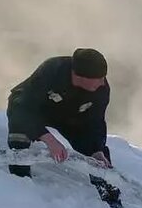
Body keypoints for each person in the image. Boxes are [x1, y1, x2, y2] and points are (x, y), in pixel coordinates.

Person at [7, 48, 112, 177]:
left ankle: (108, 192)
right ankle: (19, 176)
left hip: (72, 117)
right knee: (20, 123)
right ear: (80, 76)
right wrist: (49, 139)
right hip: (37, 111)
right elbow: (22, 106)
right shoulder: (52, 70)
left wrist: (97, 149)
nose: (103, 82)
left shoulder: (101, 89)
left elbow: (96, 122)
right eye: (99, 78)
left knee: (98, 158)